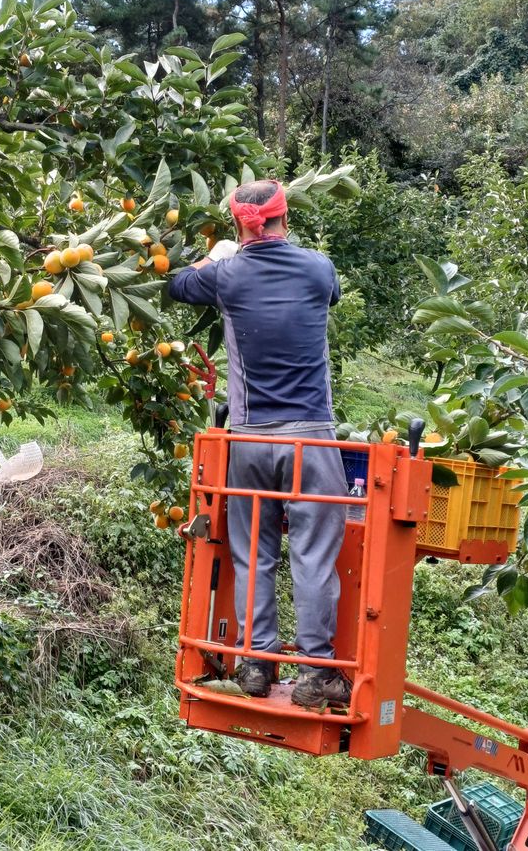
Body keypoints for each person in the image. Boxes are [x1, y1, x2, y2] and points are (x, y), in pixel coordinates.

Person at [168, 179, 351, 707]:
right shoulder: (319, 268)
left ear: (240, 223)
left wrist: (215, 257)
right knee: (314, 555)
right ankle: (318, 673)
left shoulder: (227, 275)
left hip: (249, 439)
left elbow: (177, 285)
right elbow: (328, 296)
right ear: (282, 216)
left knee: (254, 553)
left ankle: (255, 663)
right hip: (312, 439)